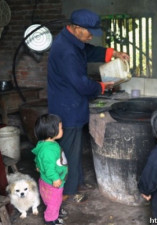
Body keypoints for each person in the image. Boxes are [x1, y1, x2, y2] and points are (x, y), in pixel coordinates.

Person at [47, 8, 130, 203]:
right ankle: (66, 191)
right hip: (66, 107)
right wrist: (102, 86)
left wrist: (113, 53)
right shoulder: (66, 51)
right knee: (67, 149)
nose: (92, 35)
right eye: (89, 31)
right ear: (76, 28)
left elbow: (90, 50)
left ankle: (76, 182)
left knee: (75, 148)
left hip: (74, 104)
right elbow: (81, 84)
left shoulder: (73, 40)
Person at [32, 114, 68, 225]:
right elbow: (49, 168)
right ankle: (51, 220)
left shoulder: (44, 144)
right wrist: (55, 178)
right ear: (52, 132)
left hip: (47, 181)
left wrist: (38, 166)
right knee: (53, 203)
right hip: (52, 183)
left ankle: (56, 211)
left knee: (54, 201)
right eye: (61, 128)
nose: (62, 130)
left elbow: (38, 157)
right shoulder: (48, 151)